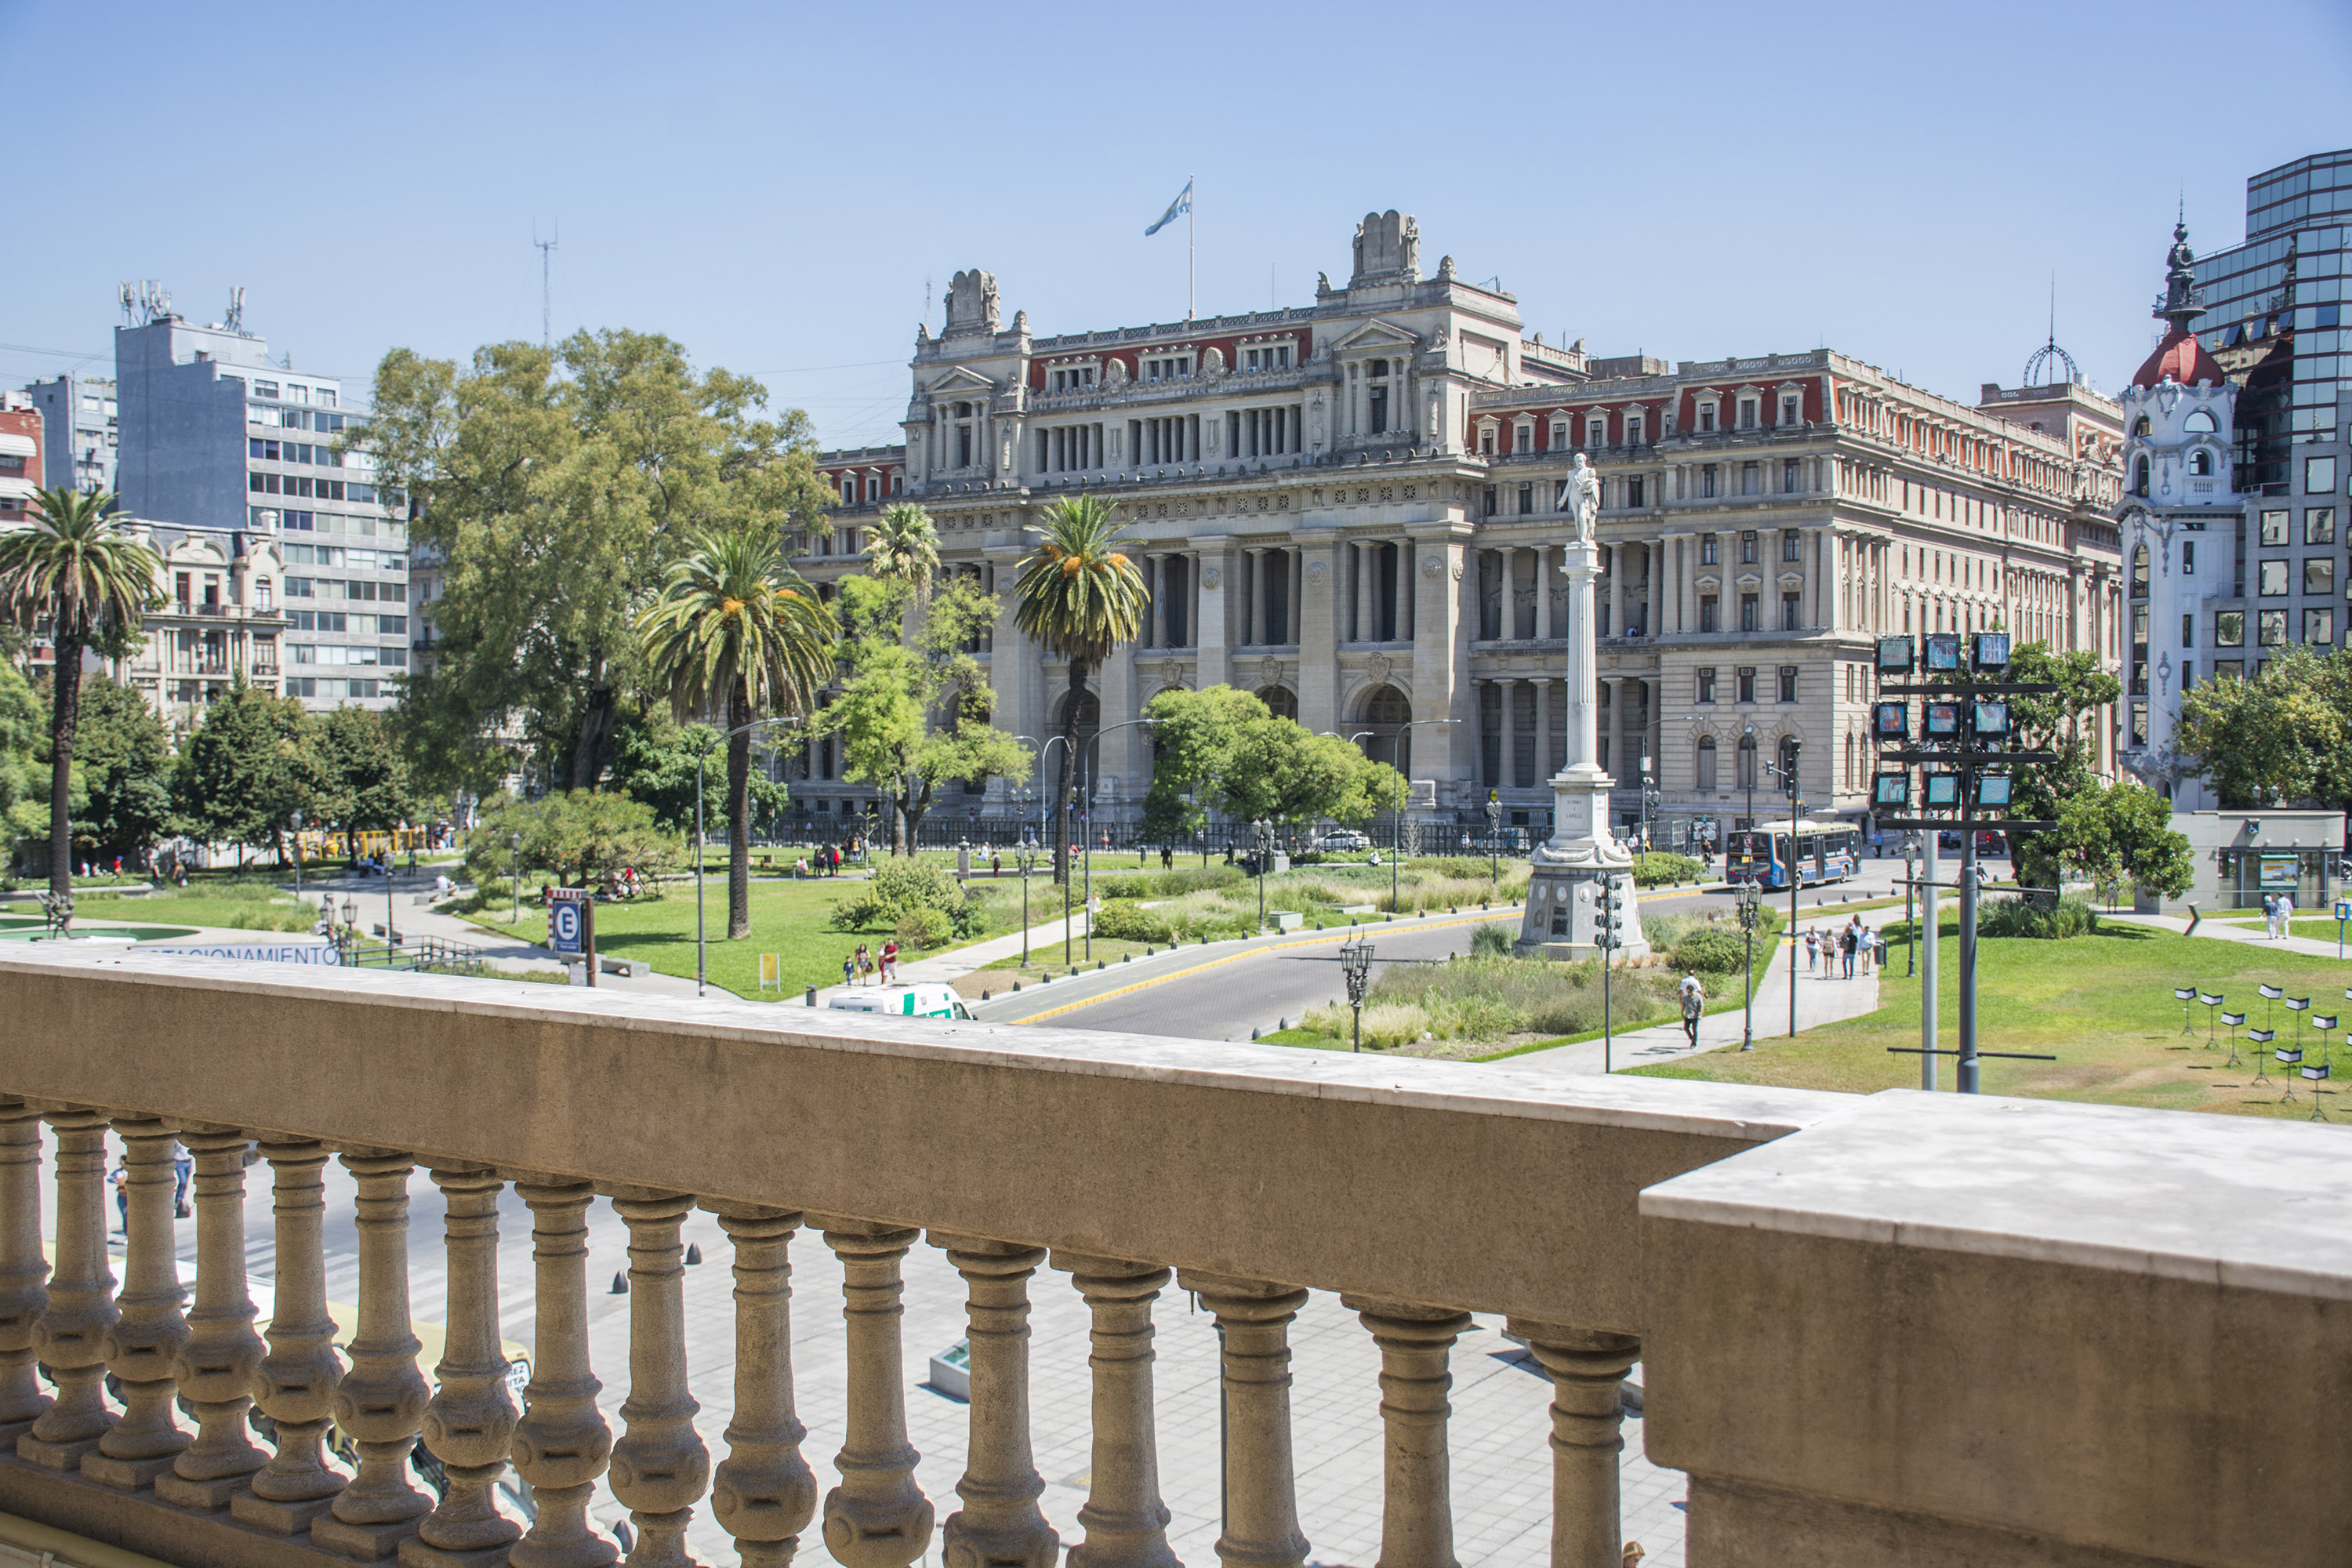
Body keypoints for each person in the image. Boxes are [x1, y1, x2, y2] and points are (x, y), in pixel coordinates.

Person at [1678, 972, 1704, 1046]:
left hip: (1695, 1015)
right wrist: (1682, 1013)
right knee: (1686, 1028)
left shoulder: (1697, 997)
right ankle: (1692, 1038)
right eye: (1687, 992)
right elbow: (1683, 1006)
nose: (1688, 993)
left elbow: (1701, 1006)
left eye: (1689, 992)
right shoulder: (1686, 998)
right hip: (1688, 1015)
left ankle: (1694, 1044)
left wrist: (1700, 1015)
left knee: (1694, 1029)